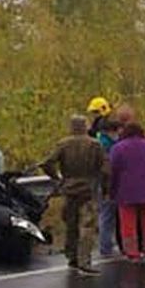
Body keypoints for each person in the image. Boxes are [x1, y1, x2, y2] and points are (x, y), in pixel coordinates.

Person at [42, 115, 109, 276]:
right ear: (85, 126)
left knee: (71, 224)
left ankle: (72, 257)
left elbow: (47, 163)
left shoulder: (63, 144)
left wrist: (57, 177)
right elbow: (106, 170)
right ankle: (84, 260)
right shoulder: (95, 145)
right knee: (87, 225)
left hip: (69, 189)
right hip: (88, 189)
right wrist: (105, 188)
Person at [110, 121, 145, 264]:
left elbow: (113, 171)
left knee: (128, 225)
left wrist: (112, 190)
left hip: (126, 192)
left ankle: (132, 254)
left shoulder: (118, 148)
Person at [95, 118, 122, 258]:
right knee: (107, 215)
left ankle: (107, 245)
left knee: (107, 215)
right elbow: (108, 167)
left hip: (102, 183)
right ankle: (106, 247)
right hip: (107, 184)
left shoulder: (99, 141)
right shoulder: (107, 144)